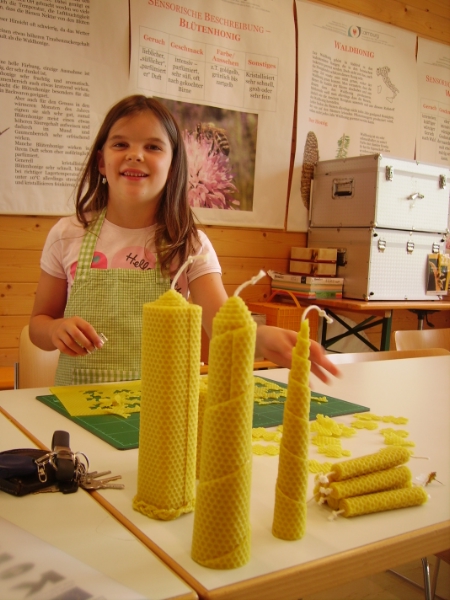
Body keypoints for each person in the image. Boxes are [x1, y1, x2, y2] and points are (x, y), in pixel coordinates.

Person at [29, 95, 339, 386]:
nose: (135, 154)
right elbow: (38, 325)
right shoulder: (66, 235)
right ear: (101, 161)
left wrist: (259, 337)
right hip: (78, 406)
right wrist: (55, 329)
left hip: (166, 408)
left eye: (153, 147)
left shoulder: (190, 245)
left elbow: (223, 326)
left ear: (174, 165)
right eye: (121, 144)